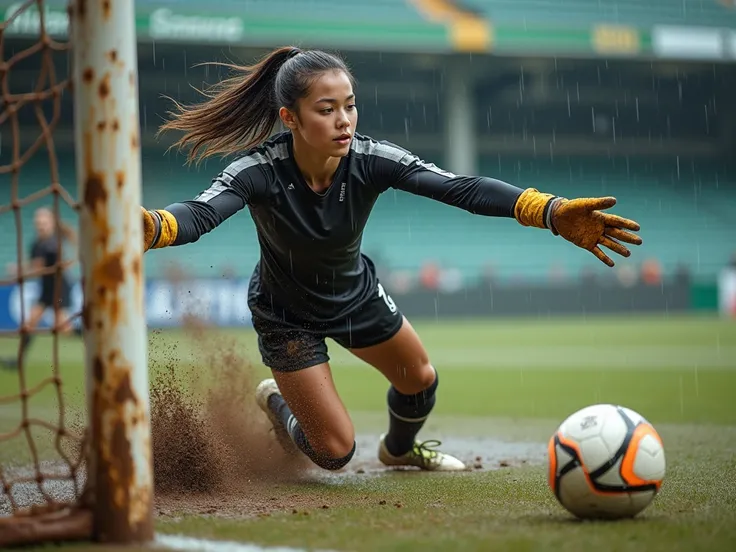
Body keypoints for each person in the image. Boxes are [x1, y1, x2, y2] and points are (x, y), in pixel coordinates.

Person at [142, 46, 642, 472]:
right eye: (326, 109)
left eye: (350, 106)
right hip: (286, 315)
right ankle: (279, 400)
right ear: (289, 117)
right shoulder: (258, 169)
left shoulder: (371, 158)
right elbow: (201, 215)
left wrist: (548, 210)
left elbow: (460, 188)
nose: (343, 120)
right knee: (334, 452)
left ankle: (399, 452)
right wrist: (156, 226)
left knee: (420, 382)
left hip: (355, 296)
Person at [2, 207, 79, 370]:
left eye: (44, 222)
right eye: (38, 222)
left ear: (51, 223)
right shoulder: (38, 244)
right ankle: (18, 362)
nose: (40, 225)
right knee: (29, 325)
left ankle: (98, 339)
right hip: (47, 290)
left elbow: (38, 268)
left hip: (59, 289)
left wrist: (18, 271)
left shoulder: (51, 244)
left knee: (65, 329)